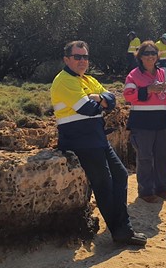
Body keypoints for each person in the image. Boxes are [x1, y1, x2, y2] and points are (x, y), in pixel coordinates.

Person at [51, 40, 147, 247]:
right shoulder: (64, 80)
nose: (82, 61)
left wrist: (98, 98)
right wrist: (100, 101)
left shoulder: (89, 80)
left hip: (97, 138)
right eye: (77, 57)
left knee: (120, 175)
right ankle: (120, 231)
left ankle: (123, 227)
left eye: (85, 57)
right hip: (80, 140)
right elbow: (88, 109)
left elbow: (113, 101)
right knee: (104, 184)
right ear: (66, 59)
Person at [123, 41, 166, 203]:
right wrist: (147, 90)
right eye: (146, 53)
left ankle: (162, 188)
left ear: (157, 56)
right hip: (142, 123)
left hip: (162, 121)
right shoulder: (133, 75)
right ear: (140, 57)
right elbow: (128, 95)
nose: (150, 56)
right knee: (145, 157)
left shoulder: (165, 73)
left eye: (153, 53)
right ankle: (146, 191)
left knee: (162, 156)